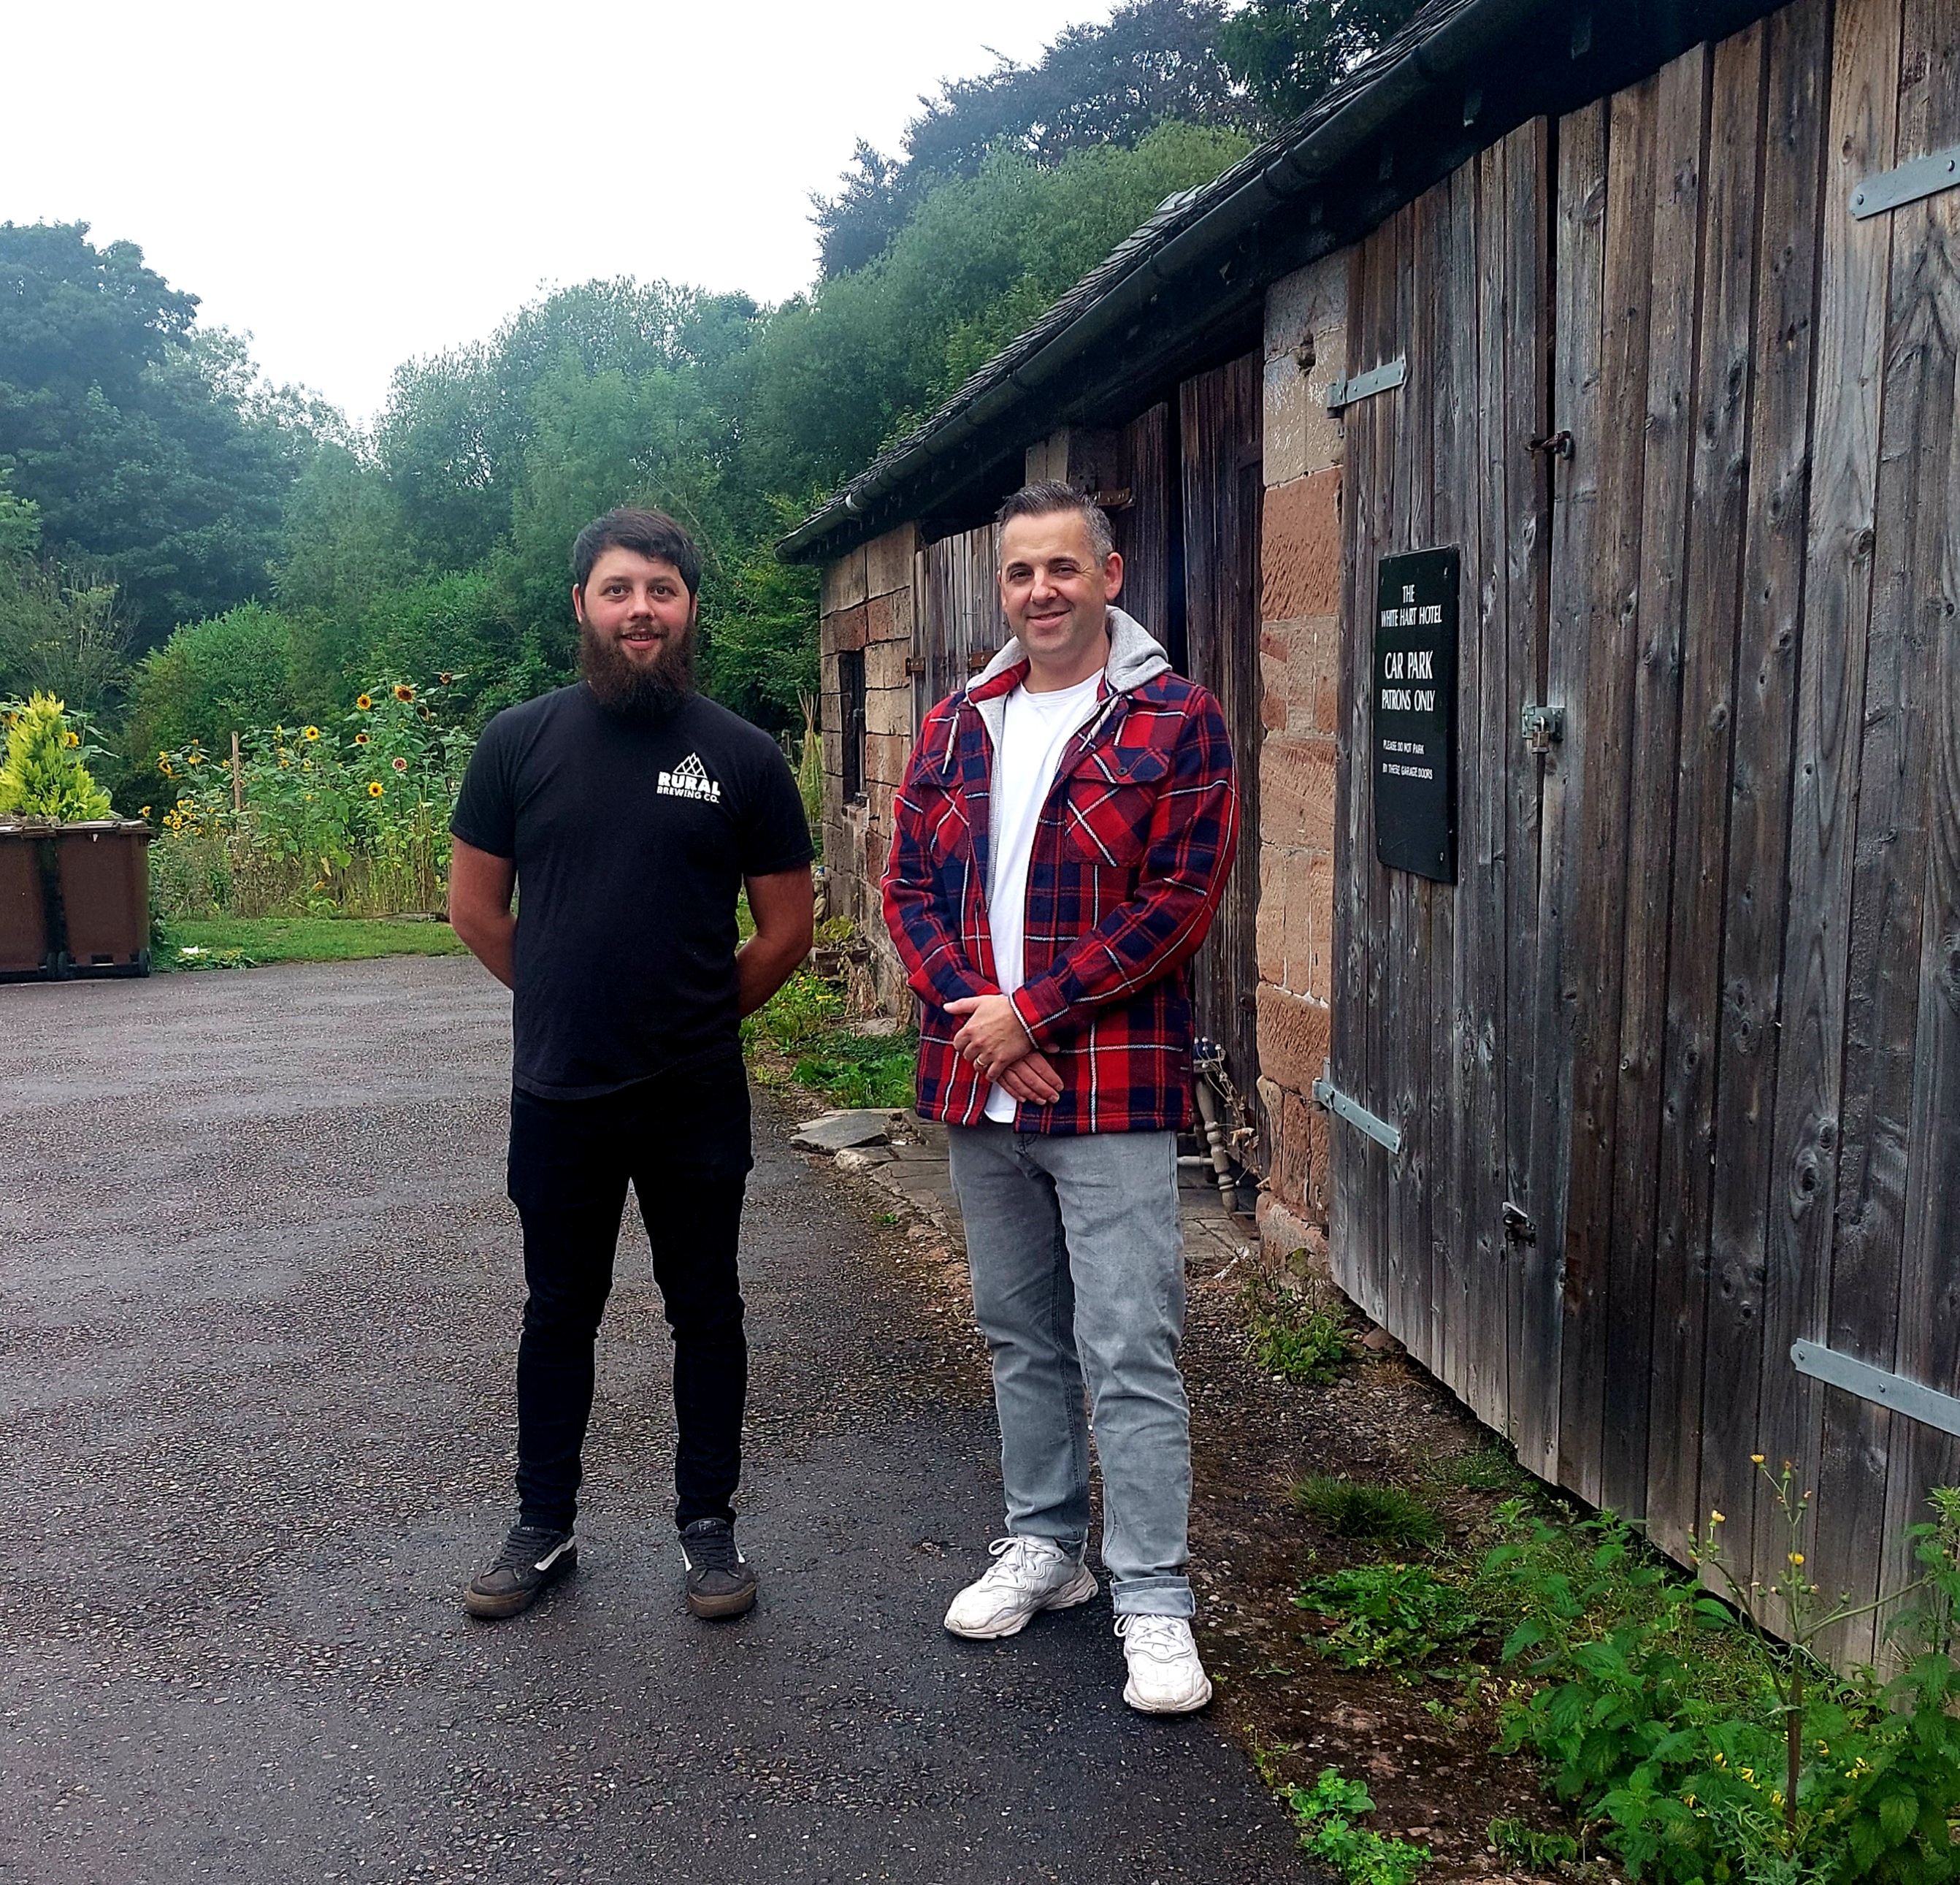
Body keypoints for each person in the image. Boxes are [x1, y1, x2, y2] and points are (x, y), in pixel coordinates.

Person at [881, 481, 1238, 1713]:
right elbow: (907, 891)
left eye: (1063, 570)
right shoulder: (957, 723)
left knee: (1129, 1345)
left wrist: (1034, 1014)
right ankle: (1046, 1545)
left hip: (1113, 1088)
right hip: (981, 1087)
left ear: (1110, 574)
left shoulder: (1174, 719)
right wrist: (986, 1024)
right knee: (1016, 1329)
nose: (1042, 591)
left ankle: (1153, 1595)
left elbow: (1178, 904)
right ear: (1005, 587)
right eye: (1022, 572)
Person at [448, 507, 814, 1624]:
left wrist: (694, 1018)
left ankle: (709, 1528)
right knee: (559, 1309)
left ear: (690, 606)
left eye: (661, 588)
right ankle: (541, 1525)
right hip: (560, 1091)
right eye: (618, 589)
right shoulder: (517, 743)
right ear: (582, 605)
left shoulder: (743, 755)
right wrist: (572, 1002)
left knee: (706, 1309)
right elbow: (475, 910)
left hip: (692, 1094)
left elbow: (787, 929)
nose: (640, 608)